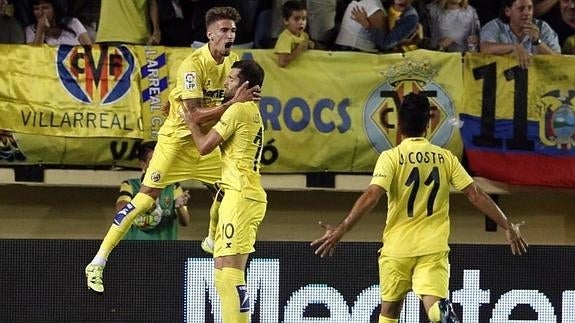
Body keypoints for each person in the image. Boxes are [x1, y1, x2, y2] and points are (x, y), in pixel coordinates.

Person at [85, 6, 260, 293]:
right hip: (176, 143)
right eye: (225, 30)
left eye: (234, 31)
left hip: (202, 142)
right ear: (210, 33)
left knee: (230, 189)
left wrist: (248, 96)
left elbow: (216, 97)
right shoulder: (193, 64)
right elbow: (195, 115)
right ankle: (98, 261)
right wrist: (232, 103)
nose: (231, 35)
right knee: (144, 200)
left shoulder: (234, 63)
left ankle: (213, 239)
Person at [311, 92, 528, 323]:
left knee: (390, 310)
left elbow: (372, 195)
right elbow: (474, 194)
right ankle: (444, 316)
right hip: (432, 247)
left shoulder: (391, 157)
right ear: (428, 125)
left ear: (400, 125)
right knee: (434, 306)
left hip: (397, 248)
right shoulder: (445, 158)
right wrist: (506, 224)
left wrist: (343, 228)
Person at [180, 59, 267, 323]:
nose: (225, 82)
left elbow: (205, 146)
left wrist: (190, 122)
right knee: (222, 273)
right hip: (238, 193)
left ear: (245, 86)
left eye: (231, 79)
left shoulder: (238, 110)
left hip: (241, 196)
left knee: (230, 273)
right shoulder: (248, 111)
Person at [118, 141, 190, 240]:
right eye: (154, 161)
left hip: (165, 251)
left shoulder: (173, 186)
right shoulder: (130, 185)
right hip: (134, 251)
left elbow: (185, 222)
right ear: (143, 165)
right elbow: (120, 209)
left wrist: (179, 206)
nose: (159, 165)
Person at [480, 0, 560, 69]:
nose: (526, 13)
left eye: (530, 8)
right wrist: (513, 47)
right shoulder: (495, 26)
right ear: (508, 11)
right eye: (521, 9)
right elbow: (485, 48)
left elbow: (559, 60)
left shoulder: (543, 28)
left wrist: (537, 41)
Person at [352, 0, 421, 52]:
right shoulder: (386, 5)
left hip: (400, 55)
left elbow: (385, 44)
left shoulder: (411, 17)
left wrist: (365, 24)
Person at [25, 0, 91, 45]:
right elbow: (33, 57)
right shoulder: (30, 30)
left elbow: (90, 49)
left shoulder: (73, 23)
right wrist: (40, 32)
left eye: (45, 8)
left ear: (55, 9)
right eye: (36, 8)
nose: (40, 12)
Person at [95, 0, 161, 45]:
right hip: (136, 36)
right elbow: (152, 3)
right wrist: (156, 31)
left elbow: (152, 3)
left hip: (107, 35)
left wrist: (156, 31)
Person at [273, 0, 314, 67]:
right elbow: (282, 62)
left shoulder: (305, 35)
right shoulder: (285, 37)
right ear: (286, 21)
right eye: (296, 19)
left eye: (304, 19)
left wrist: (309, 45)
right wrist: (299, 50)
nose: (301, 22)